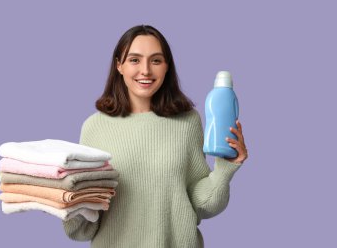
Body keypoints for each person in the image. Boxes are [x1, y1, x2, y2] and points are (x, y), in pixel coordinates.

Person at [63, 25, 248, 248]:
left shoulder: (187, 122)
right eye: (134, 60)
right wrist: (69, 200)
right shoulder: (94, 127)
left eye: (156, 60)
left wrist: (226, 168)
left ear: (167, 67)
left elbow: (202, 205)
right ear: (119, 65)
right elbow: (82, 231)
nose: (146, 71)